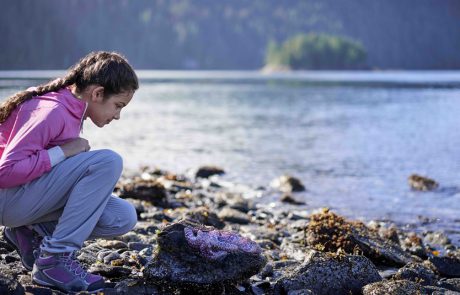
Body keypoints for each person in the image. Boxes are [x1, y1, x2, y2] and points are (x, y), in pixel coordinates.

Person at [0, 51, 139, 293]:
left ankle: (32, 232)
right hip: (6, 200)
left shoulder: (73, 110)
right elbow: (5, 172)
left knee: (122, 215)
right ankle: (52, 262)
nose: (117, 116)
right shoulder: (51, 110)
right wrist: (63, 152)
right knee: (108, 161)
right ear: (97, 93)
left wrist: (66, 154)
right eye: (118, 106)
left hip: (22, 200)